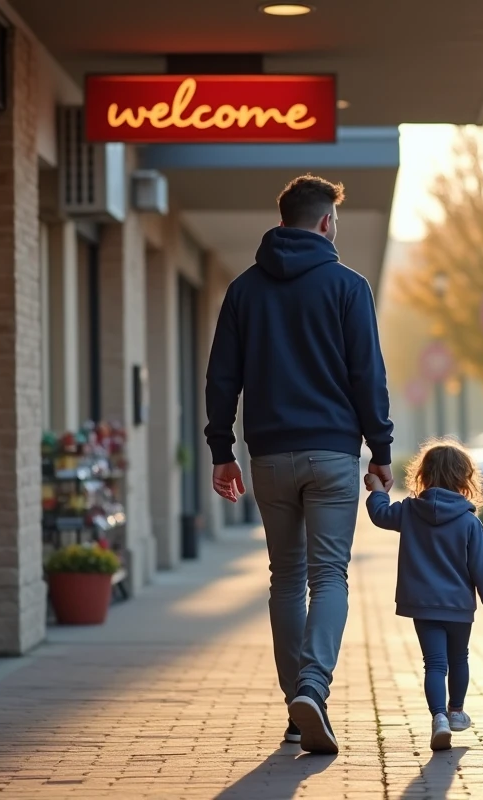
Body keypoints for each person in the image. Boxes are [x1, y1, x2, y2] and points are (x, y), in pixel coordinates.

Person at [204, 174, 394, 755]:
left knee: (285, 577)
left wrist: (221, 451)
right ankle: (313, 687)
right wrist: (381, 450)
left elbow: (221, 378)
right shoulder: (349, 287)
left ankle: (296, 709)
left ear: (282, 220)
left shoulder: (243, 290)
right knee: (328, 575)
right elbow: (368, 375)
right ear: (327, 222)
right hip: (333, 454)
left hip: (268, 455)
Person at [365, 440, 483, 752]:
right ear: (464, 478)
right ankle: (456, 711)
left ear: (423, 475)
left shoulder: (409, 512)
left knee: (434, 664)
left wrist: (376, 489)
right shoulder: (469, 521)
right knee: (459, 658)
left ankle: (438, 717)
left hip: (423, 605)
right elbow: (482, 568)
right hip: (458, 606)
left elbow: (380, 514)